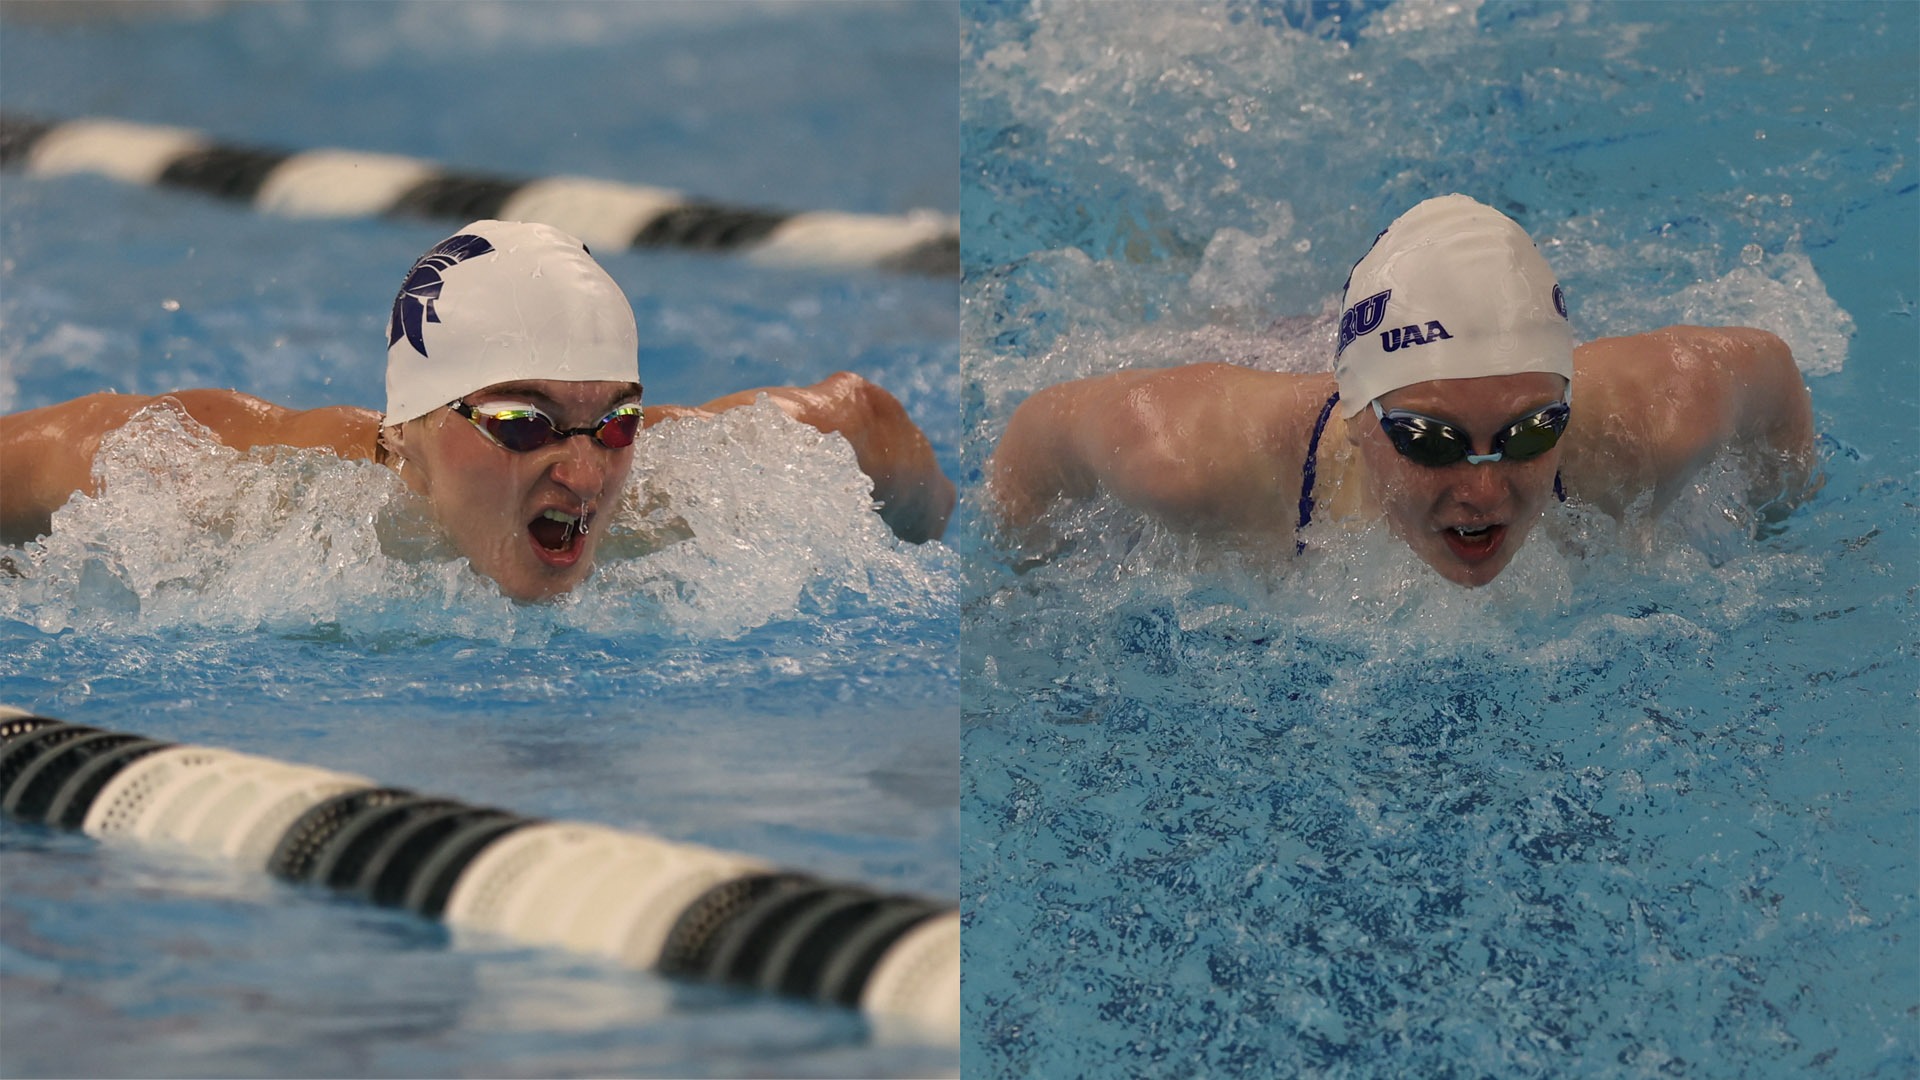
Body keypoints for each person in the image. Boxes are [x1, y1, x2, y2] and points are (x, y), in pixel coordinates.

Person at [0, 219, 956, 601]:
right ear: (407, 433)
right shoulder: (240, 494)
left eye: (614, 421)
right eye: (522, 422)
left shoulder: (696, 495)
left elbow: (864, 419)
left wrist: (948, 543)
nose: (583, 473)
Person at [989, 194, 1816, 587]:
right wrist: (1032, 580)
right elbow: (1034, 439)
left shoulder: (1658, 417)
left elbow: (1772, 371)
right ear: (1358, 418)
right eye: (1431, 441)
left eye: (1530, 432)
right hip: (1240, 357)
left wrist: (1779, 521)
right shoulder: (1187, 456)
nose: (1485, 489)